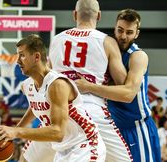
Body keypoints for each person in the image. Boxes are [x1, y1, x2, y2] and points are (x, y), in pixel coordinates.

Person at [0, 34, 106, 162]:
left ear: (36, 57)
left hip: (85, 145)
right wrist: (15, 130)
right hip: (61, 147)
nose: (17, 61)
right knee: (25, 158)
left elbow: (58, 132)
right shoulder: (27, 85)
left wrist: (17, 132)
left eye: (22, 55)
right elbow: (35, 106)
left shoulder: (57, 85)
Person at [48, 0, 132, 161]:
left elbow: (49, 80)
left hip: (60, 112)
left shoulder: (56, 40)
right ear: (99, 15)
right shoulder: (107, 41)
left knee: (32, 155)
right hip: (92, 110)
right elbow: (123, 83)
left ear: (74, 14)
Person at [75, 8, 161, 161]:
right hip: (112, 128)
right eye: (120, 30)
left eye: (129, 32)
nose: (123, 36)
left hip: (136, 127)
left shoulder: (138, 56)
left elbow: (128, 95)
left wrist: (89, 86)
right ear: (114, 28)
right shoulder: (105, 49)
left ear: (136, 34)